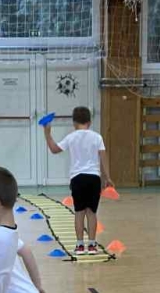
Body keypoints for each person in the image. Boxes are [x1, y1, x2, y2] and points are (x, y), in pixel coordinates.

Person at [42, 107, 113, 254]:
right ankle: (92, 245)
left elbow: (54, 149)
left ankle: (80, 245)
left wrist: (47, 133)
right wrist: (107, 177)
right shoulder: (97, 137)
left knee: (79, 212)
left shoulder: (71, 137)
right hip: (94, 178)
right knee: (92, 213)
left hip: (77, 178)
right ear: (90, 122)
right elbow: (103, 157)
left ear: (74, 123)